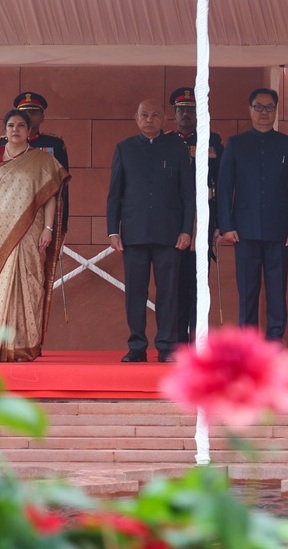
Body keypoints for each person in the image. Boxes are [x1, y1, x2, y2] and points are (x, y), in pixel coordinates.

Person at [0, 109, 69, 362]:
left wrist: (48, 229)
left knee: (29, 282)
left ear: (29, 131)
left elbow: (49, 198)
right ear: (4, 130)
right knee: (0, 286)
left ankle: (25, 344)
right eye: (11, 125)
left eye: (21, 126)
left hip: (31, 232)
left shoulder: (42, 160)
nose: (15, 129)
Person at [107, 99, 195, 362]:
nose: (149, 119)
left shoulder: (177, 148)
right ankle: (137, 346)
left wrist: (186, 229)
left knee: (168, 291)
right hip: (133, 233)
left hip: (169, 233)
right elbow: (115, 194)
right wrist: (113, 230)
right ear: (136, 117)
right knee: (135, 291)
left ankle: (167, 345)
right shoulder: (124, 149)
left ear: (165, 118)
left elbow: (187, 194)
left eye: (155, 115)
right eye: (144, 114)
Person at [215, 88, 288, 342]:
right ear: (250, 110)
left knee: (277, 290)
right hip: (243, 229)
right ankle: (249, 343)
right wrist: (226, 225)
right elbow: (224, 188)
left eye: (269, 107)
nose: (264, 112)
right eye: (259, 107)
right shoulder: (236, 144)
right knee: (248, 290)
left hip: (280, 229)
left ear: (276, 111)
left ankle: (275, 340)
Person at [0, 91, 71, 339]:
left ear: (41, 117)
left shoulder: (54, 146)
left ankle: (32, 338)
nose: (27, 117)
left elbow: (60, 191)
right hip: (6, 225)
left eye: (32, 113)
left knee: (37, 279)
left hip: (41, 224)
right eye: (22, 113)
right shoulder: (0, 146)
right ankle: (6, 338)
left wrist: (59, 226)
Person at [168, 86, 223, 344]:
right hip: (173, 221)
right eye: (181, 110)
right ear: (174, 114)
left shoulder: (211, 141)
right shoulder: (167, 142)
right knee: (175, 284)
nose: (186, 115)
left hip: (202, 218)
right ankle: (177, 340)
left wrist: (219, 223)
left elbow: (221, 183)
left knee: (199, 281)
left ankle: (196, 338)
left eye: (191, 110)